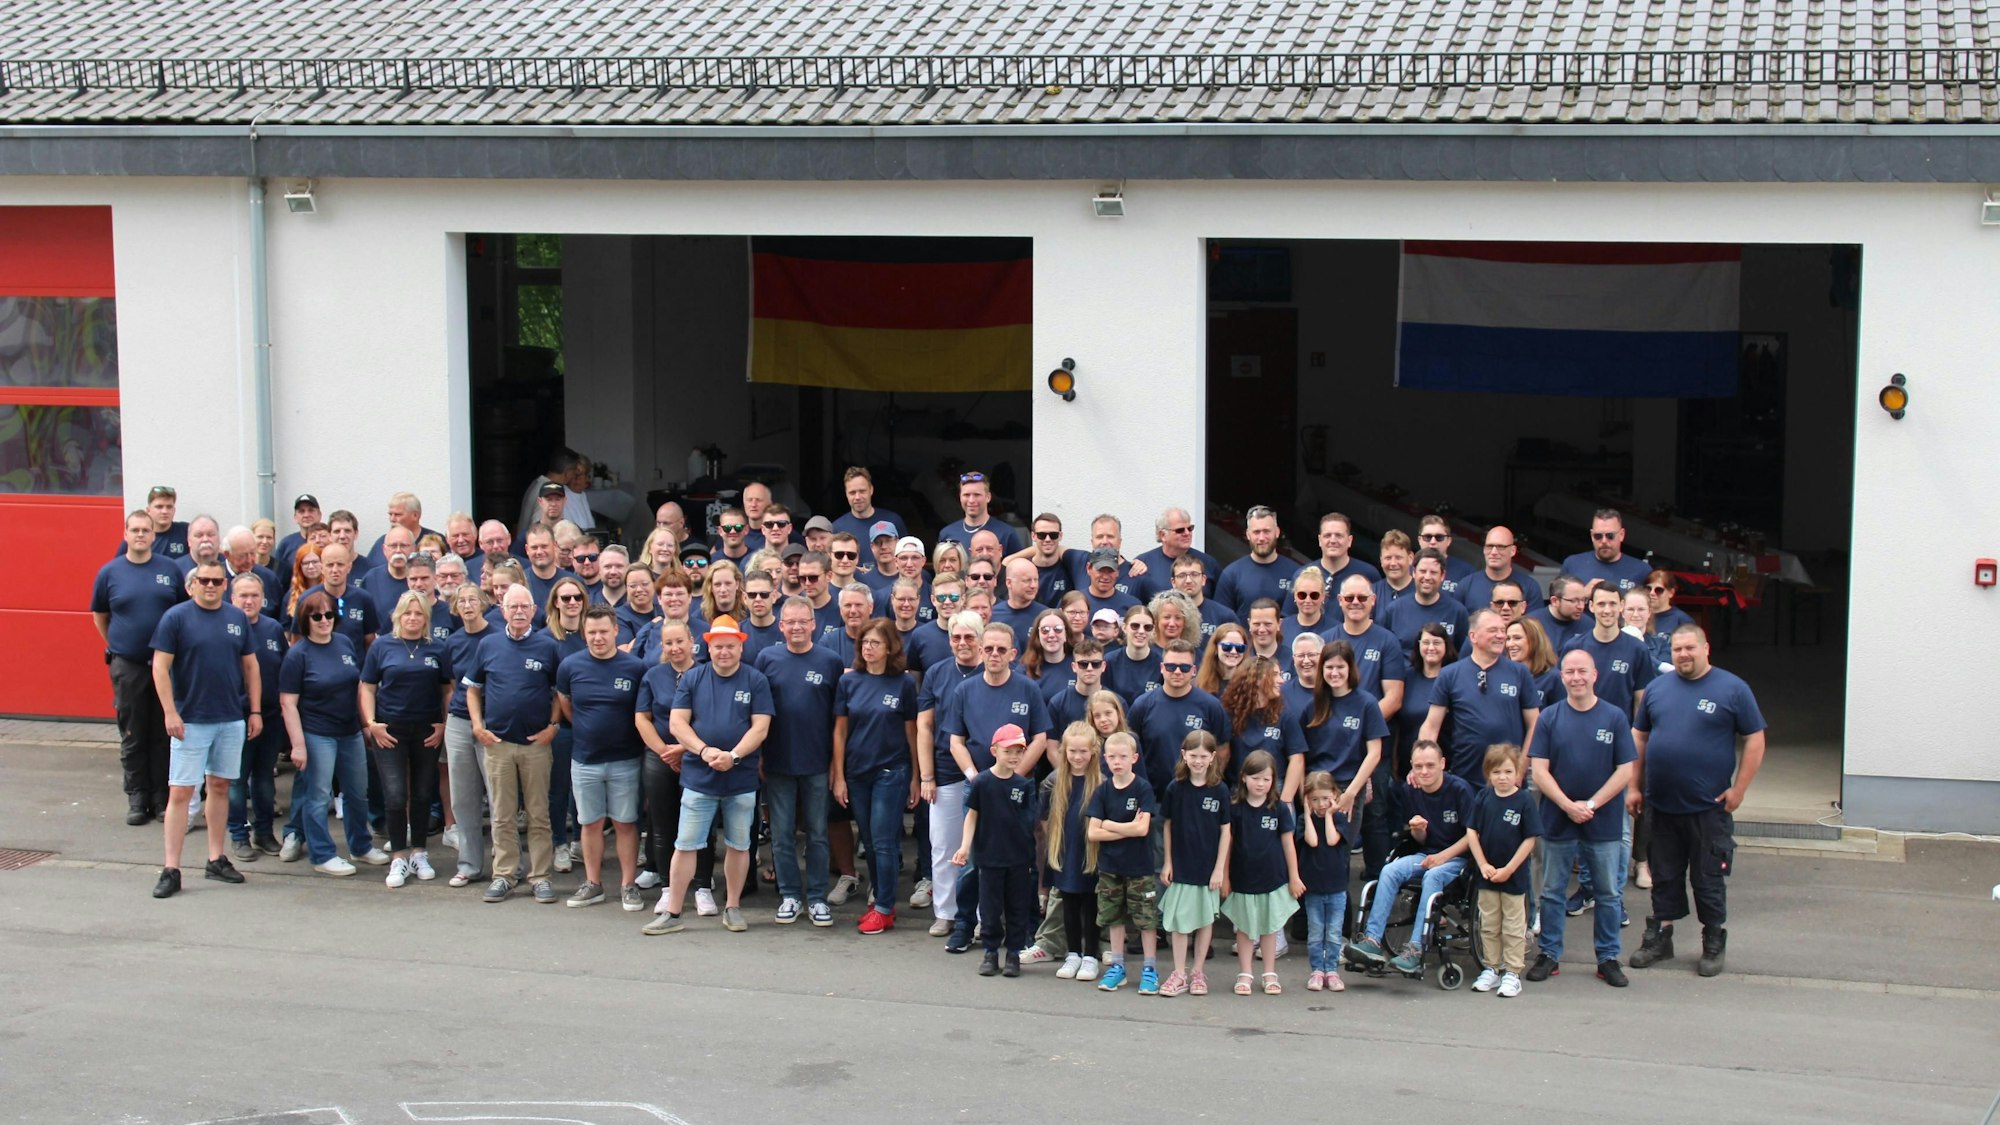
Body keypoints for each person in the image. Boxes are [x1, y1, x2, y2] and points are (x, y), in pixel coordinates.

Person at [1629, 624, 1767, 978]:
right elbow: (1639, 738)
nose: (1683, 655)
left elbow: (1755, 739)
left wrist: (1739, 790)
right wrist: (1633, 786)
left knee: (1707, 878)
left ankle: (1713, 940)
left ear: (1706, 649)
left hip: (1708, 808)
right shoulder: (1658, 689)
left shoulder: (1733, 688)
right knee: (1664, 875)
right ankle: (1661, 936)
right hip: (1661, 805)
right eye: (1677, 650)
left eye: (1690, 648)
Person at [650, 616, 774, 936]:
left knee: (738, 844)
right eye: (718, 646)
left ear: (740, 646)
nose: (724, 652)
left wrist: (733, 756)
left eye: (730, 646)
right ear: (708, 645)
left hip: (741, 776)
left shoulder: (755, 680)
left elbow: (760, 727)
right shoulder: (693, 678)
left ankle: (732, 907)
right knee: (686, 844)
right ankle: (674, 911)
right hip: (699, 777)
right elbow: (678, 724)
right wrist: (705, 752)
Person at [147, 561, 259, 897]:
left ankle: (215, 858)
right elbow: (160, 668)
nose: (210, 585)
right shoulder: (176, 618)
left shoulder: (236, 618)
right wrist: (170, 712)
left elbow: (250, 666)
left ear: (225, 584)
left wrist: (254, 710)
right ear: (191, 584)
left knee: (220, 786)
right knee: (181, 792)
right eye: (203, 580)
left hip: (229, 718)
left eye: (216, 580)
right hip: (190, 720)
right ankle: (171, 868)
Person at [1528, 648, 1638, 987]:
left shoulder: (1615, 717)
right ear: (1562, 677)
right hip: (1557, 819)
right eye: (1569, 672)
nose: (1576, 677)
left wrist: (1590, 804)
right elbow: (1539, 771)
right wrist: (1567, 805)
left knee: (1607, 893)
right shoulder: (1549, 717)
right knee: (1552, 891)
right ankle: (1549, 953)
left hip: (1603, 822)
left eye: (1582, 671)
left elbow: (1625, 770)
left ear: (1595, 676)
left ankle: (1607, 958)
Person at [939, 622, 1053, 950]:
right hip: (980, 788)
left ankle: (1027, 927)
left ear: (1013, 654)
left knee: (1024, 860)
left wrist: (1016, 774)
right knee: (974, 859)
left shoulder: (1028, 689)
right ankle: (964, 924)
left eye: (1001, 649)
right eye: (988, 648)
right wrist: (976, 776)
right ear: (980, 650)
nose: (994, 654)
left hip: (1019, 790)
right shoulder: (965, 691)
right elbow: (956, 740)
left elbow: (1041, 737)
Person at [465, 584, 562, 905]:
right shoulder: (488, 645)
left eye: (524, 606)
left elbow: (560, 692)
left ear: (534, 610)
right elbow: (472, 688)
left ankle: (541, 877)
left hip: (536, 746)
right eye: (512, 606)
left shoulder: (547, 646)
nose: (519, 612)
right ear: (502, 610)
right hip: (498, 745)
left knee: (538, 813)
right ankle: (504, 875)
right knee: (502, 815)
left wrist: (553, 726)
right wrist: (477, 725)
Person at [277, 590, 386, 876]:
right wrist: (298, 745)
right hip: (317, 733)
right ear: (305, 619)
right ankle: (322, 854)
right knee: (318, 794)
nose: (324, 620)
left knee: (357, 792)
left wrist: (365, 723)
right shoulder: (297, 655)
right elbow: (288, 703)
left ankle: (360, 846)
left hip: (349, 730)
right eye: (316, 616)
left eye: (328, 615)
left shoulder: (344, 642)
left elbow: (359, 688)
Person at [1344, 740, 1475, 977]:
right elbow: (1421, 841)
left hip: (1457, 859)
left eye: (1430, 765)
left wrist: (1442, 857)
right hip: (1426, 854)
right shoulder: (1410, 790)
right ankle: (1372, 941)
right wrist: (1418, 830)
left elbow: (1473, 836)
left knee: (1433, 876)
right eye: (1418, 766)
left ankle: (1415, 949)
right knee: (1390, 870)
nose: (1424, 771)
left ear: (1443, 764)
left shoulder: (1460, 790)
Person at [755, 595, 847, 927]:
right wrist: (760, 755)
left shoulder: (830, 660)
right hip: (778, 761)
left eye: (802, 621)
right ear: (781, 626)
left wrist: (837, 766)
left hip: (818, 763)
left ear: (814, 624)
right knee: (781, 834)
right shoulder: (767, 658)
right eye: (789, 621)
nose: (796, 627)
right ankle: (791, 895)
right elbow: (759, 713)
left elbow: (840, 719)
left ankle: (818, 897)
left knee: (818, 833)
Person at [94, 507, 187, 826]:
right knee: (133, 731)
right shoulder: (110, 572)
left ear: (152, 534)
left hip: (165, 665)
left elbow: (180, 615)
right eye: (134, 530)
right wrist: (118, 645)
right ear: (126, 534)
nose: (140, 535)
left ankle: (162, 797)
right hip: (128, 664)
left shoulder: (170, 570)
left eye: (145, 531)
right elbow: (100, 616)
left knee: (165, 731)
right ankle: (137, 796)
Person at [555, 605, 648, 912]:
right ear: (585, 633)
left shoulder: (634, 668)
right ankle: (593, 883)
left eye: (603, 632)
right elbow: (566, 705)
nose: (597, 638)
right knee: (590, 823)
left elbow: (641, 712)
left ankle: (628, 884)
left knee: (625, 823)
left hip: (625, 759)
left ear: (615, 631)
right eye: (591, 632)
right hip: (585, 759)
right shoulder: (570, 666)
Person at [359, 591, 453, 888]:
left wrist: (444, 725)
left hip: (426, 730)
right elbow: (367, 687)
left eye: (419, 614)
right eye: (408, 613)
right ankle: (399, 856)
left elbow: (447, 690)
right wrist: (371, 723)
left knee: (424, 793)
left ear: (426, 617)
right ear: (398, 616)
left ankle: (419, 852)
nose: (413, 618)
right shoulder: (382, 646)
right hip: (390, 731)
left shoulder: (437, 648)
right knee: (397, 794)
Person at [832, 619, 920, 934]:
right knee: (869, 841)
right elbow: (840, 732)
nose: (868, 648)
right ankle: (878, 900)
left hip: (892, 771)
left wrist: (916, 777)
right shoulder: (849, 681)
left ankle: (884, 907)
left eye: (875, 643)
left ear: (890, 647)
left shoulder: (905, 684)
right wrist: (839, 775)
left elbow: (912, 733)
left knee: (884, 841)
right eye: (865, 642)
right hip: (857, 772)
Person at [634, 619, 713, 914]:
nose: (675, 648)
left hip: (697, 755)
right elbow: (642, 717)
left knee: (701, 825)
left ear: (691, 640)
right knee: (663, 825)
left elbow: (712, 716)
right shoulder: (653, 675)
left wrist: (685, 747)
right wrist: (663, 750)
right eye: (668, 643)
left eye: (680, 641)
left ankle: (703, 885)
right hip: (660, 756)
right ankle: (669, 887)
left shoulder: (706, 672)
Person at [945, 722, 1036, 978]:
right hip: (989, 857)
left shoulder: (1024, 785)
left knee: (1017, 907)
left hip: (1018, 858)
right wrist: (965, 847)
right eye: (1008, 751)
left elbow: (1030, 823)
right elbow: (972, 815)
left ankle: (1014, 953)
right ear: (994, 751)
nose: (1014, 756)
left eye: (1019, 751)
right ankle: (990, 951)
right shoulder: (982, 782)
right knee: (990, 908)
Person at [918, 611, 987, 939]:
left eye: (969, 637)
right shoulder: (936, 673)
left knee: (980, 847)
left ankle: (978, 914)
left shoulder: (993, 670)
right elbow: (925, 725)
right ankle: (945, 912)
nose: (963, 643)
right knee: (944, 845)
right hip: (945, 771)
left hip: (986, 773)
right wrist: (926, 776)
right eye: (957, 637)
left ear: (981, 639)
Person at [1420, 609, 1541, 787]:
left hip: (1508, 781)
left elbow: (1535, 725)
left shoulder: (1519, 673)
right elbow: (1431, 726)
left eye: (1503, 630)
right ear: (1473, 636)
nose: (1501, 636)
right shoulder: (1450, 674)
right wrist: (1424, 765)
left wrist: (1520, 771)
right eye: (1493, 630)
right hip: (1464, 778)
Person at [1157, 730, 1231, 997]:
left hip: (1207, 867)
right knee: (1178, 922)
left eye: (1203, 756)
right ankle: (1179, 972)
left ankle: (1198, 971)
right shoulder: (1175, 788)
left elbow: (1226, 830)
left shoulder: (1220, 790)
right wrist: (1167, 862)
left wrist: (1219, 868)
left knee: (1203, 920)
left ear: (1212, 757)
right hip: (1181, 864)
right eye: (1193, 755)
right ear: (1184, 755)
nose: (1198, 761)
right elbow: (1166, 825)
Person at [1222, 749, 1302, 995]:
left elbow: (1288, 843)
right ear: (1244, 777)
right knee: (1245, 929)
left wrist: (1294, 876)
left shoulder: (1278, 808)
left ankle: (1269, 973)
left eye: (1267, 779)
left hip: (1273, 879)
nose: (1261, 783)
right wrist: (1224, 877)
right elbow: (1228, 844)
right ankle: (1245, 973)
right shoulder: (1234, 808)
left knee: (1270, 927)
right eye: (1256, 778)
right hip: (1243, 879)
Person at [1466, 744, 1543, 998]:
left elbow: (1530, 839)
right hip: (1487, 876)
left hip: (1513, 877)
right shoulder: (1483, 798)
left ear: (1517, 772)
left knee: (1513, 925)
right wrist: (1483, 864)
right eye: (1496, 772)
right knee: (1488, 924)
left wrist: (1509, 869)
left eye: (1508, 771)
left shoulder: (1524, 801)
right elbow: (1472, 832)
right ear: (1488, 773)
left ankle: (1512, 972)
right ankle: (1492, 966)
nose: (1502, 777)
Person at [1087, 732, 1159, 994]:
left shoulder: (1142, 788)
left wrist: (1109, 824)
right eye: (1112, 757)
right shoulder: (1103, 791)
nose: (1117, 762)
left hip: (1139, 867)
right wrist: (1127, 826)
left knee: (1146, 919)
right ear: (1105, 758)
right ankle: (1117, 967)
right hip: (1110, 867)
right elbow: (1093, 832)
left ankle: (1150, 968)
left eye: (1123, 757)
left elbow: (1143, 830)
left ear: (1134, 758)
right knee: (1114, 917)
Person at [225, 573, 286, 862]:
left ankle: (264, 833)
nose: (249, 601)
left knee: (264, 778)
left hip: (271, 717)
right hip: (235, 718)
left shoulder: (273, 628)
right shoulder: (225, 627)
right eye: (243, 596)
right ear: (232, 598)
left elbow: (284, 668)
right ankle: (239, 836)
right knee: (236, 781)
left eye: (254, 596)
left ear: (263, 599)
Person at [1036, 723, 1104, 979]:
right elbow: (1043, 818)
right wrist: (1057, 842)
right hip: (1065, 850)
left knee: (1091, 903)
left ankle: (1091, 955)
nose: (1077, 757)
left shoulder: (1101, 782)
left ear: (1093, 752)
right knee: (1070, 904)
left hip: (1091, 852)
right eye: (1072, 751)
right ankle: (1073, 953)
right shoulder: (1054, 781)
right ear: (1064, 751)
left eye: (1083, 751)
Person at [439, 584, 493, 887]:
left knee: (498, 797)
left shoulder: (495, 636)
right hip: (459, 720)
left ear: (483, 604)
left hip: (491, 721)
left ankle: (506, 864)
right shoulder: (454, 641)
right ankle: (470, 864)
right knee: (463, 797)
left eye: (473, 599)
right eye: (462, 601)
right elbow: (450, 684)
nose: (468, 605)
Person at [1296, 639, 1388, 810]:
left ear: (1350, 668)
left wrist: (1351, 793)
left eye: (1340, 667)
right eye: (1329, 667)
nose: (1335, 673)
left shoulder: (1366, 703)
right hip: (1316, 788)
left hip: (1348, 786)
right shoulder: (1313, 706)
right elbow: (1299, 754)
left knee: (1344, 837)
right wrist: (1304, 793)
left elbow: (1374, 753)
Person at [1296, 771, 1352, 992]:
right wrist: (1308, 815)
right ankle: (1317, 970)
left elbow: (1331, 839)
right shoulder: (1303, 820)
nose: (1320, 804)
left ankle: (1332, 970)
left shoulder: (1339, 818)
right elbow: (1311, 841)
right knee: (1317, 931)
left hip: (1337, 887)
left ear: (1335, 796)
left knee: (1334, 932)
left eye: (1325, 798)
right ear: (1307, 800)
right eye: (1315, 799)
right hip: (1314, 888)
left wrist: (1329, 815)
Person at [1220, 656, 1302, 787]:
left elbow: (1297, 759)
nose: (1281, 681)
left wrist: (1286, 800)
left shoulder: (1285, 714)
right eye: (1274, 675)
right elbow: (1222, 753)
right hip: (1238, 789)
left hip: (1275, 789)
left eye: (1280, 675)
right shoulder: (1230, 714)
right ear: (1257, 678)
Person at [1381, 549, 1469, 660]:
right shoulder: (1394, 610)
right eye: (1422, 571)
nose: (1427, 577)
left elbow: (1463, 654)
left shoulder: (1458, 612)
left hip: (1442, 676)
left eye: (1433, 572)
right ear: (1413, 572)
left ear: (1442, 575)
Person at [1215, 505, 1301, 615]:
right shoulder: (1231, 574)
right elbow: (1222, 622)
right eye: (1256, 532)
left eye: (1266, 531)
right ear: (1247, 534)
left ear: (1277, 532)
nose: (1261, 538)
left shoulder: (1296, 573)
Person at [1132, 507, 1217, 602]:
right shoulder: (1143, 564)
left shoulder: (1208, 563)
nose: (1187, 533)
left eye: (1190, 528)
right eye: (1180, 530)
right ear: (1162, 535)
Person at [1563, 508, 1653, 595]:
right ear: (1591, 536)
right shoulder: (1573, 564)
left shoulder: (1642, 571)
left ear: (1622, 535)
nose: (1604, 541)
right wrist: (1582, 596)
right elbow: (1556, 605)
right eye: (1598, 536)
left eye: (1610, 536)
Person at [938, 470, 1022, 557]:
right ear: (960, 497)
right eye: (966, 495)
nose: (971, 500)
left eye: (977, 495)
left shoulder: (1006, 533)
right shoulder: (947, 534)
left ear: (988, 497)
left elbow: (1018, 567)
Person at [1463, 525, 1544, 612]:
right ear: (1484, 549)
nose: (1494, 552)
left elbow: (1534, 625)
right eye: (1489, 546)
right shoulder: (1466, 585)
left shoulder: (1530, 587)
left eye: (1500, 547)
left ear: (1513, 551)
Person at [1103, 604, 1161, 703]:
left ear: (1153, 630)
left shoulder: (1161, 663)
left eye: (1147, 627)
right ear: (1124, 628)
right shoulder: (1110, 661)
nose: (1141, 631)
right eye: (1135, 626)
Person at [1313, 512, 1382, 596]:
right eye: (1327, 535)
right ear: (1320, 540)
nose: (1333, 540)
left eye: (1339, 535)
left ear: (1350, 540)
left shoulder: (1369, 574)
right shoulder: (1303, 575)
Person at [833, 465, 906, 544]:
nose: (857, 497)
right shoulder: (837, 528)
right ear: (846, 494)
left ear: (871, 490)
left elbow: (907, 554)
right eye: (852, 493)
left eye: (862, 491)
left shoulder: (893, 521)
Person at [1415, 514, 1478, 601]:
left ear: (1448, 541)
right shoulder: (1408, 569)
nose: (1433, 542)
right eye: (1427, 537)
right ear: (1419, 540)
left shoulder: (1466, 572)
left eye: (1439, 537)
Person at [1507, 617, 1562, 708]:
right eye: (1508, 639)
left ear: (1535, 641)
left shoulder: (1553, 678)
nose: (1510, 644)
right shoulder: (1504, 675)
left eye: (1517, 638)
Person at [1527, 574, 1592, 651]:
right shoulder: (1530, 624)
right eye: (1574, 601)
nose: (1581, 606)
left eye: (1583, 600)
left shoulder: (1589, 625)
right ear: (1555, 601)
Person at [1196, 622, 1249, 696]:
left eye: (1239, 647)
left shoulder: (1251, 685)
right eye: (1227, 647)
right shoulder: (1197, 685)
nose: (1233, 651)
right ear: (1215, 648)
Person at [1371, 530, 1416, 608]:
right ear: (1381, 560)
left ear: (1410, 558)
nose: (1393, 563)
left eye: (1398, 558)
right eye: (1388, 558)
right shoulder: (1370, 593)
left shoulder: (1422, 592)